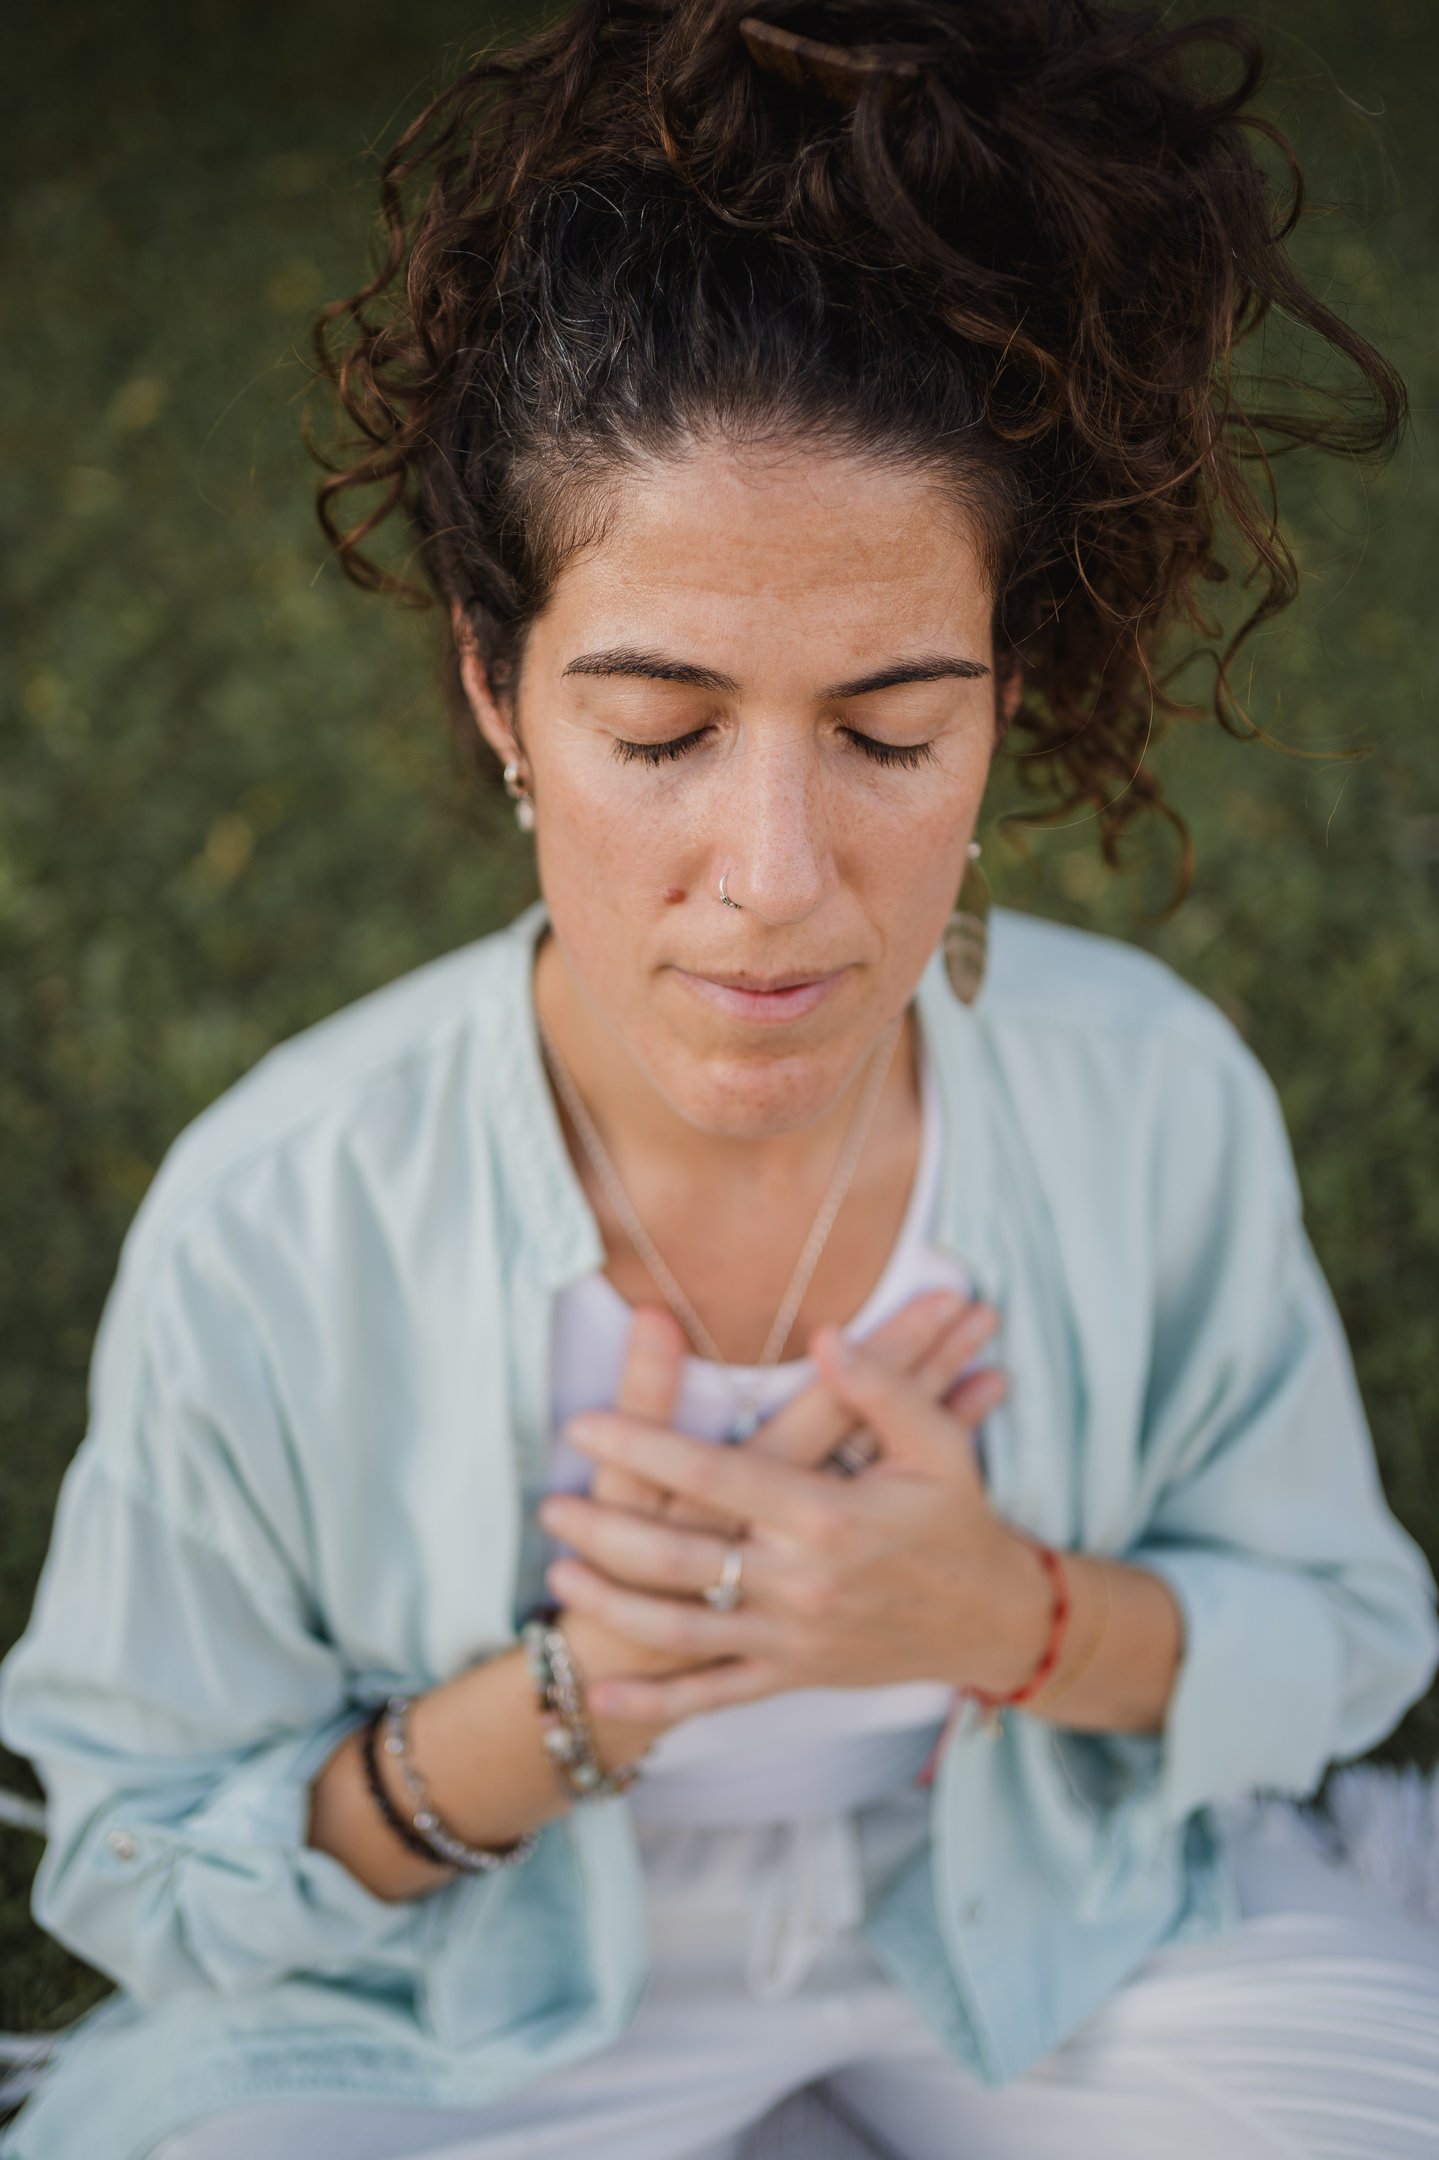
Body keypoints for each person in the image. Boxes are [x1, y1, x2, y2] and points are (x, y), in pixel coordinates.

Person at [3, 1, 1438, 2155]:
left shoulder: (1150, 1097)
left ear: (1003, 701)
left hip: (1062, 1929)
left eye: (889, 731)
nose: (774, 878)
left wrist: (1005, 1614)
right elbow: (139, 1851)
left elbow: (1339, 1632)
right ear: (499, 693)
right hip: (449, 1997)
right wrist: (565, 1707)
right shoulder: (279, 1212)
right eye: (660, 733)